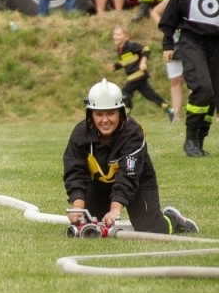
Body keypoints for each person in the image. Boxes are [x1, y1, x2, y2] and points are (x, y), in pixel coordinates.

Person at [63, 78, 198, 234]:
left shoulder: (133, 133)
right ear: (90, 114)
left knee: (151, 230)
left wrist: (115, 209)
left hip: (137, 181)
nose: (105, 120)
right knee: (86, 224)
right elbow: (74, 171)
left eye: (111, 114)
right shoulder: (80, 134)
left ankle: (173, 219)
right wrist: (78, 207)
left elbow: (128, 175)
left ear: (121, 112)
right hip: (99, 184)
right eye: (99, 114)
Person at [159, 0, 219, 157]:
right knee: (202, 87)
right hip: (192, 40)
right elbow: (170, 16)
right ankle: (190, 139)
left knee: (213, 94)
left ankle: (200, 142)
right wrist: (168, 45)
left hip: (216, 43)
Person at [106, 24, 175, 121]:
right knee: (150, 95)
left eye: (118, 34)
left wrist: (143, 62)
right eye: (115, 34)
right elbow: (127, 61)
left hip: (138, 75)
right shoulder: (120, 49)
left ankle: (126, 114)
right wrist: (116, 66)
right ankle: (169, 109)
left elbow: (146, 49)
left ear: (126, 37)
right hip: (134, 76)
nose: (115, 36)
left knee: (125, 91)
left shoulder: (131, 45)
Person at [150, 0, 188, 122]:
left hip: (192, 43)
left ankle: (201, 115)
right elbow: (155, 12)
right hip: (173, 44)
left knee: (196, 80)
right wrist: (166, 28)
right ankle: (177, 116)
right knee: (175, 80)